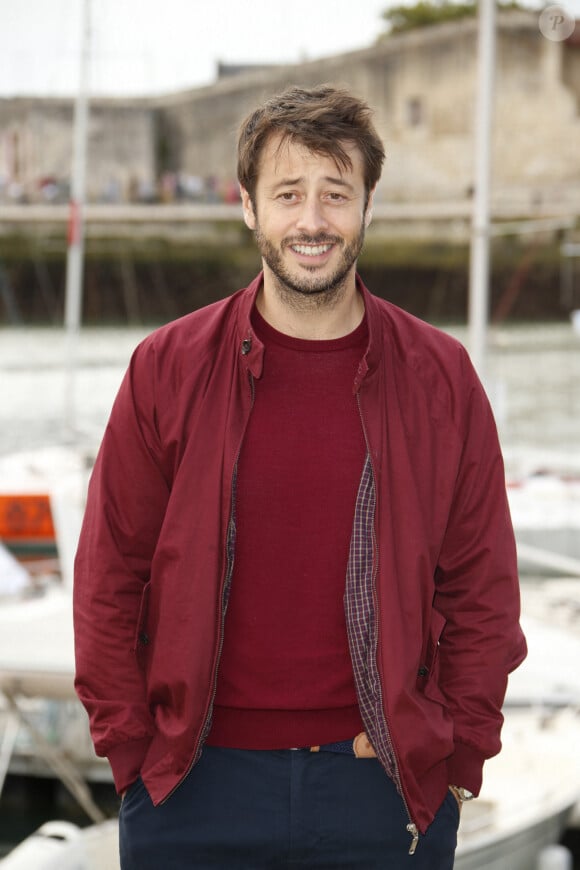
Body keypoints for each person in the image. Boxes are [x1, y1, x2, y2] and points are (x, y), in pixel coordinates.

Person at [73, 85, 527, 869]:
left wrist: (452, 761)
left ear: (367, 206)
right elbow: (109, 576)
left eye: (335, 195)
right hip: (191, 790)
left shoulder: (441, 378)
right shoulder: (167, 368)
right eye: (288, 194)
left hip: (379, 793)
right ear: (249, 206)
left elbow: (482, 592)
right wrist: (132, 758)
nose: (312, 221)